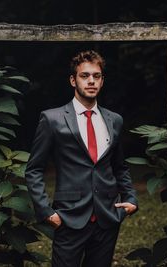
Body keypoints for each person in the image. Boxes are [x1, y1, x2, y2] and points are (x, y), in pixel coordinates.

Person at [25, 50, 138, 267]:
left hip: (107, 217)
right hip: (69, 218)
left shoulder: (114, 120)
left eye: (96, 76)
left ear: (102, 81)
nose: (91, 81)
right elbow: (34, 169)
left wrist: (131, 198)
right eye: (85, 76)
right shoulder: (52, 119)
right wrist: (47, 213)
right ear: (73, 80)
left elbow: (119, 166)